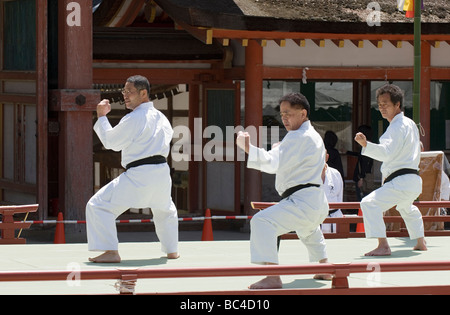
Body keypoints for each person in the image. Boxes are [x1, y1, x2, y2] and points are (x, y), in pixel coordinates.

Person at [236, 92, 330, 290]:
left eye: (289, 113)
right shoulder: (310, 136)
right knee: (309, 229)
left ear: (303, 114)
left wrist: (248, 148)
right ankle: (324, 266)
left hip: (303, 200)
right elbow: (286, 160)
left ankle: (272, 276)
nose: (284, 117)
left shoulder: (298, 136)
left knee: (262, 221)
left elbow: (272, 162)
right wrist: (280, 148)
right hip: (315, 201)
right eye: (282, 114)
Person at [86, 75, 179, 263]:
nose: (125, 96)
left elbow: (112, 142)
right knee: (165, 210)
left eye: (130, 92)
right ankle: (172, 250)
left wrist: (102, 116)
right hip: (161, 172)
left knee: (98, 205)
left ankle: (110, 251)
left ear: (143, 93)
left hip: (140, 174)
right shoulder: (162, 118)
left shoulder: (135, 118)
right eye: (124, 91)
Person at [354, 84, 427, 256]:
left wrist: (366, 145)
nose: (381, 107)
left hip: (401, 180)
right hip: (413, 181)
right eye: (379, 104)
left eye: (385, 103)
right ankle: (420, 241)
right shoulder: (410, 124)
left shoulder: (397, 126)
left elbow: (386, 152)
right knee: (406, 207)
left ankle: (383, 245)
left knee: (369, 203)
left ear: (397, 105)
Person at [321, 153, 344, 233]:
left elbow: (339, 196)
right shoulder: (308, 175)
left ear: (327, 157)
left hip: (334, 216)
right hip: (315, 218)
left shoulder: (335, 174)